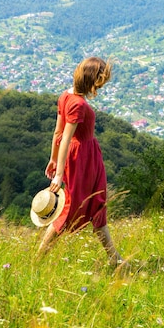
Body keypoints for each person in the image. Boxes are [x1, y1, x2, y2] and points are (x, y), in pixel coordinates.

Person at [37, 56, 123, 267]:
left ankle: (115, 259)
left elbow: (57, 132)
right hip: (83, 160)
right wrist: (57, 173)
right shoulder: (77, 104)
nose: (100, 86)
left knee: (95, 204)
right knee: (71, 208)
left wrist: (54, 158)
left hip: (83, 158)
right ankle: (37, 259)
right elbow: (65, 136)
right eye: (100, 81)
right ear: (93, 79)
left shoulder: (65, 96)